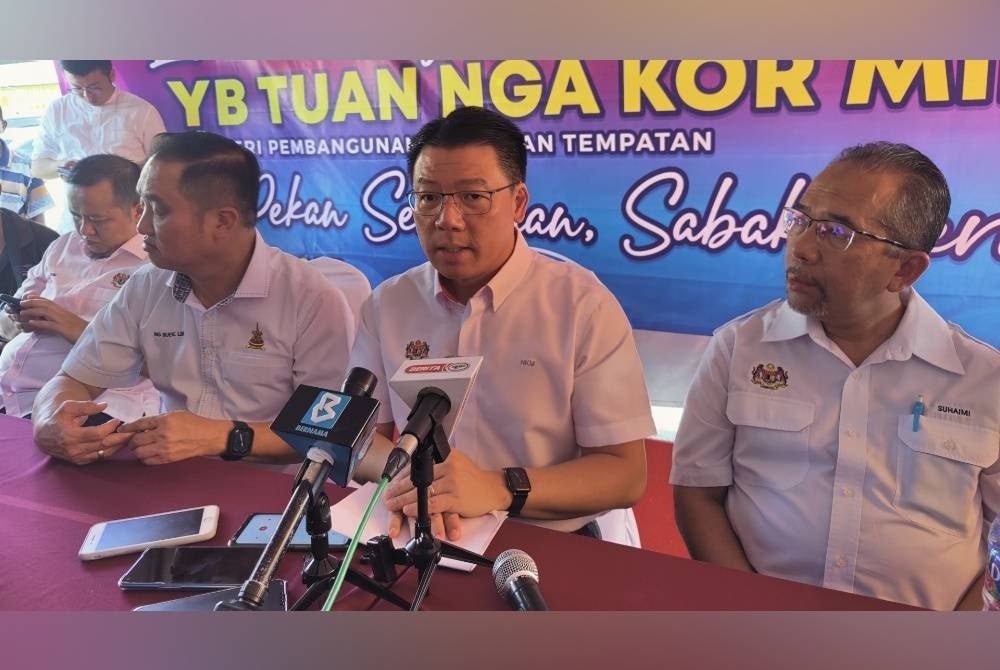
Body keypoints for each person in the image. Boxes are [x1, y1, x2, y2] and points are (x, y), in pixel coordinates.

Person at [670, 141, 1000, 611]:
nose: (800, 248)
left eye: (835, 232)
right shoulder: (738, 349)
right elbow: (697, 495)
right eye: (801, 220)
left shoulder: (984, 379)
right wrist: (748, 613)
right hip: (761, 630)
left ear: (905, 269)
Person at [350, 106, 654, 545]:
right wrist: (424, 482)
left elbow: (624, 475)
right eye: (429, 197)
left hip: (547, 536)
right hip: (423, 534)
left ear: (518, 203)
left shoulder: (582, 305)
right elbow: (359, 439)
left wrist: (498, 487)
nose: (446, 220)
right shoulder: (387, 305)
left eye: (473, 197)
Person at [31, 131, 356, 467]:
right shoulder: (146, 286)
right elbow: (72, 380)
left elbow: (328, 433)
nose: (141, 226)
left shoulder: (310, 299)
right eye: (141, 206)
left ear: (222, 221)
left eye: (157, 210)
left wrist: (222, 436)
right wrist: (49, 420)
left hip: (277, 496)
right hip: (171, 481)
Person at [1, 155, 159, 419]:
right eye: (76, 216)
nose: (85, 230)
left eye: (98, 220)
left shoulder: (157, 267)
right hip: (11, 389)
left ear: (138, 210)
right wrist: (20, 316)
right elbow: (13, 312)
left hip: (83, 407)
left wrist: (75, 328)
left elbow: (164, 366)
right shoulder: (63, 246)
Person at [31, 61, 166, 181]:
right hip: (76, 206)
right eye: (77, 88)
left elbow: (162, 165)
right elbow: (37, 167)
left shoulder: (142, 111)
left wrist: (124, 173)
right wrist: (61, 167)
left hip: (129, 204)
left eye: (95, 88)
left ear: (112, 75)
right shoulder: (57, 109)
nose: (88, 96)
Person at [0, 103, 55, 223]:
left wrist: (42, 242)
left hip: (15, 241)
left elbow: (38, 216)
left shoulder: (27, 166)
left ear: (3, 126)